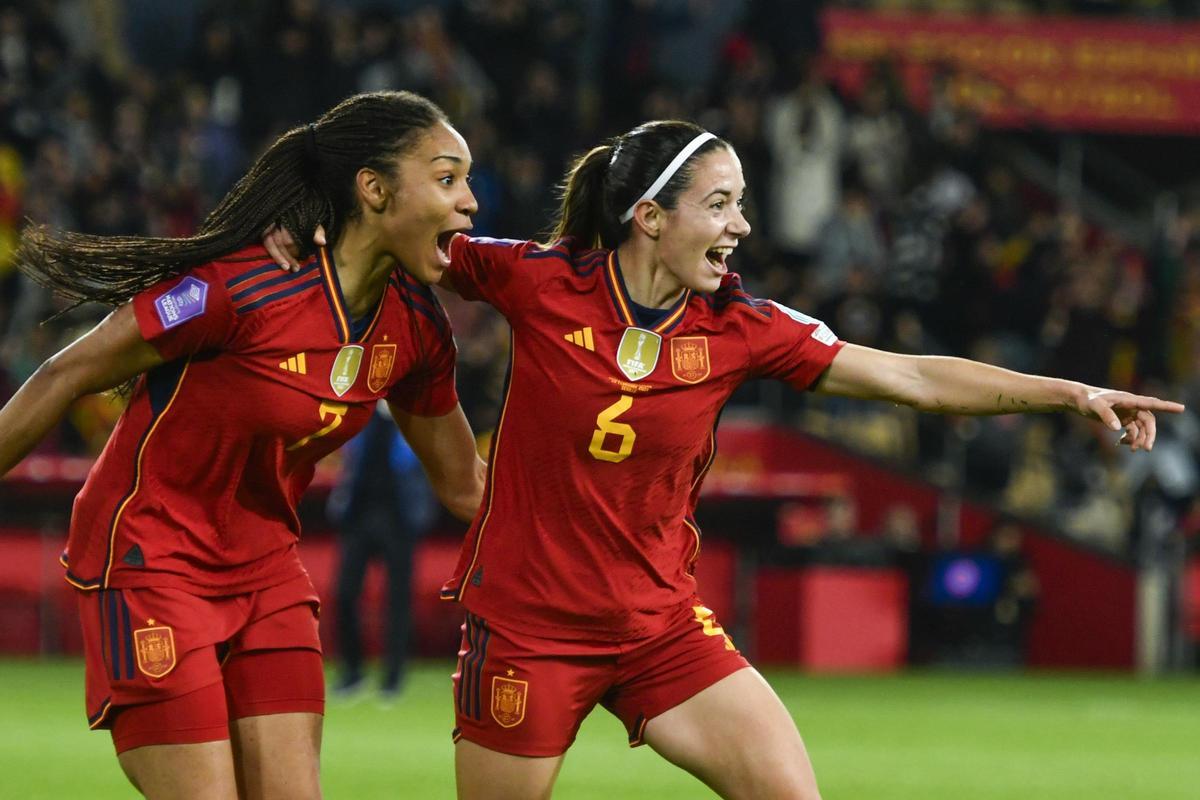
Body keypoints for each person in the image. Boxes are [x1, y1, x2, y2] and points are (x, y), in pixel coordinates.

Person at [268, 120, 1181, 800]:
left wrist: (1068, 393)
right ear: (649, 218)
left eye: (740, 202)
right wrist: (295, 235)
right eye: (720, 203)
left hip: (660, 629)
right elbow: (404, 239)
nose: (742, 224)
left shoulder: (745, 328)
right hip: (528, 629)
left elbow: (908, 375)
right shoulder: (536, 281)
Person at [1, 90, 485, 800]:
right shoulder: (237, 289)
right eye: (447, 179)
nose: (470, 201)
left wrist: (597, 534)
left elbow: (465, 484)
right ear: (374, 190)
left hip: (265, 570)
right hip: (150, 558)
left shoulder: (415, 328)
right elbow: (64, 372)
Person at [327, 400, 437, 700]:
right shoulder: (361, 412)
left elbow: (428, 465)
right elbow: (349, 462)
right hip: (359, 516)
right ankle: (352, 672)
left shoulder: (416, 414)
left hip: (399, 520)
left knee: (398, 600)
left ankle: (393, 678)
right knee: (346, 593)